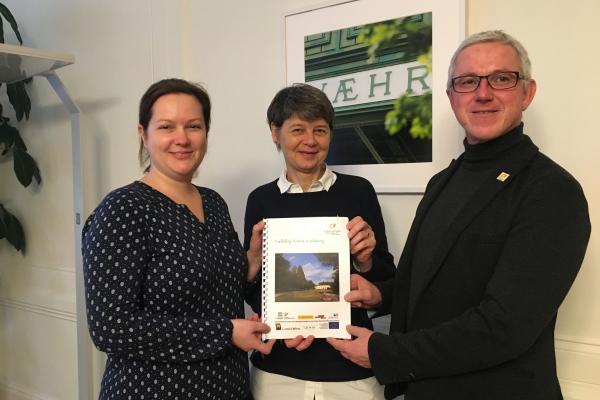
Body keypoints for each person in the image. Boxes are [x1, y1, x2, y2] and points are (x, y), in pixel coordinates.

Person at [327, 30, 591, 400]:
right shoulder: (443, 181)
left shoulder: (551, 190)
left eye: (501, 78)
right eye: (467, 82)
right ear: (452, 97)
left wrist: (382, 352)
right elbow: (433, 284)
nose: (483, 93)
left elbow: (505, 326)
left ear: (527, 92)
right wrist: (379, 295)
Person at [82, 78, 274, 400]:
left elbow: (216, 292)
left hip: (228, 385)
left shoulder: (213, 203)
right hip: (153, 389)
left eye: (194, 126)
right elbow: (111, 328)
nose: (182, 139)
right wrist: (226, 332)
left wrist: (251, 264)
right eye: (167, 127)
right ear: (143, 133)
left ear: (206, 133)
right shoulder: (123, 209)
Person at [243, 83, 396, 399]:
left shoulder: (358, 191)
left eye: (320, 130)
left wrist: (365, 259)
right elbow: (253, 287)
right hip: (277, 370)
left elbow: (386, 277)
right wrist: (282, 324)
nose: (310, 141)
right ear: (276, 132)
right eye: (298, 129)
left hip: (350, 366)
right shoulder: (260, 200)